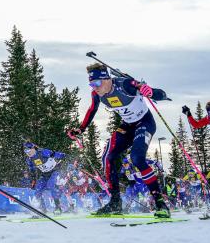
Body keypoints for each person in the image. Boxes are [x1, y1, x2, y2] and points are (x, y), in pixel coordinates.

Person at [67, 63, 171, 217]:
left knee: (137, 158)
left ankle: (160, 203)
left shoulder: (125, 85)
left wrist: (150, 92)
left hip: (144, 123)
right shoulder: (96, 94)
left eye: (96, 83)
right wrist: (80, 129)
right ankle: (115, 203)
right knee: (107, 157)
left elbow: (161, 94)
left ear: (106, 79)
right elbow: (92, 109)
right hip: (127, 126)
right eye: (91, 84)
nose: (94, 87)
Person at [24, 141, 66, 214]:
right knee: (38, 189)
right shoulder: (29, 159)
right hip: (45, 174)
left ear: (33, 148)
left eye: (28, 150)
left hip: (54, 171)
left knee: (51, 185)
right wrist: (33, 179)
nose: (28, 153)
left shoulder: (42, 152)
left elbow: (55, 154)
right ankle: (43, 209)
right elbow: (32, 169)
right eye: (26, 151)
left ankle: (58, 207)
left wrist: (63, 156)